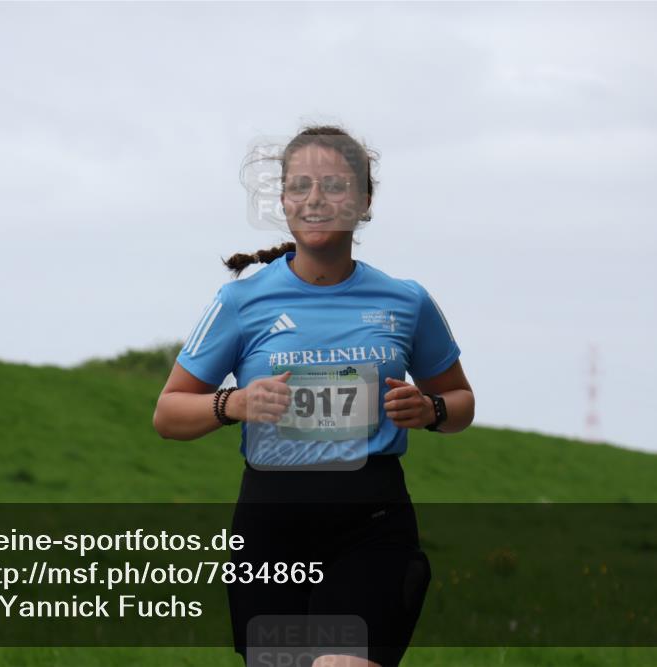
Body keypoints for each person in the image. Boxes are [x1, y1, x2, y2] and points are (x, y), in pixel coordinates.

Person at [153, 125, 475, 667]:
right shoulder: (240, 302)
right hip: (270, 529)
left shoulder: (406, 301)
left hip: (370, 522)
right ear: (282, 201)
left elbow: (461, 401)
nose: (316, 199)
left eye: (334, 185)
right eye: (300, 186)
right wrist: (234, 404)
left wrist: (431, 410)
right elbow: (167, 414)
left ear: (364, 200)